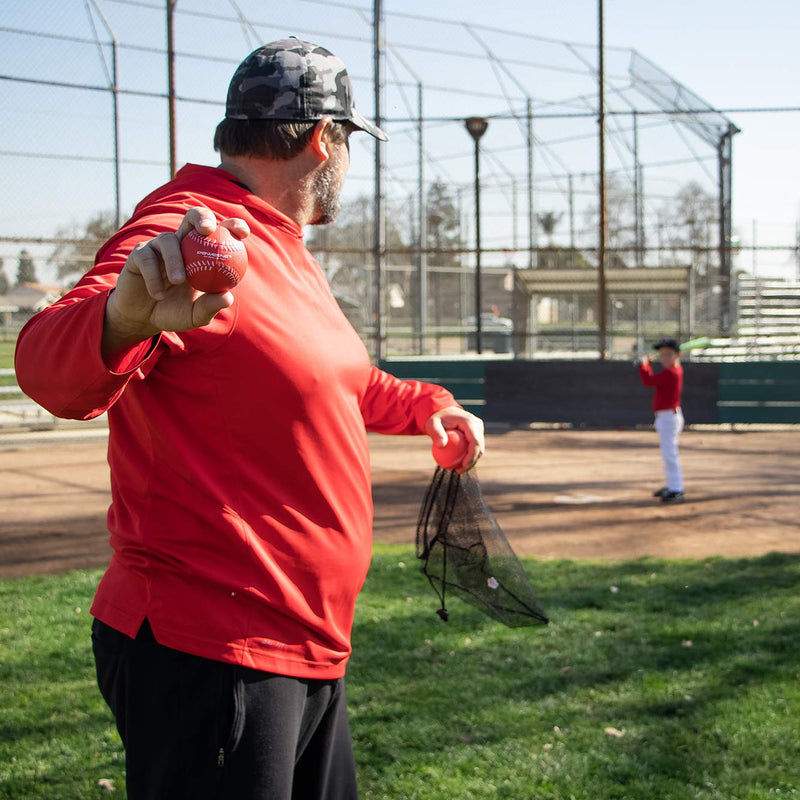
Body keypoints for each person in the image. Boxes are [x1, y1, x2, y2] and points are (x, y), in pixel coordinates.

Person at [14, 38, 484, 800]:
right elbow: (44, 364)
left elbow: (337, 382)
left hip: (302, 649)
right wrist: (120, 320)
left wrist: (433, 405)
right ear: (322, 138)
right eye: (348, 145)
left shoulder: (282, 246)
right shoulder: (196, 231)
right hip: (213, 653)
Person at [638, 337, 685, 503]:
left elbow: (648, 380)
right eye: (662, 355)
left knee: (670, 453)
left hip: (668, 418)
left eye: (669, 355)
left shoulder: (671, 373)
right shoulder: (673, 371)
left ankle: (676, 488)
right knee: (667, 453)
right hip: (666, 417)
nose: (664, 358)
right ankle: (671, 484)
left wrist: (644, 366)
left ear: (677, 356)